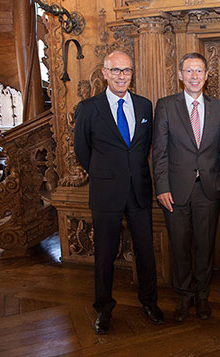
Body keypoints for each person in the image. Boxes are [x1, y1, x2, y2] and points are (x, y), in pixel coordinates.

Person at [74, 50, 163, 334]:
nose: (121, 76)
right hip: (105, 193)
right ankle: (103, 309)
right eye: (115, 70)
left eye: (126, 70)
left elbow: (144, 146)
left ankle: (149, 302)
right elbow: (81, 150)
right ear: (104, 73)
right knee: (105, 254)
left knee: (145, 252)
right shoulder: (88, 108)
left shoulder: (144, 105)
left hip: (139, 190)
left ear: (131, 74)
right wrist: (105, 174)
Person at [152, 53, 220, 322]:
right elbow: (159, 152)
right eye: (189, 71)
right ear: (181, 75)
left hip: (208, 189)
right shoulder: (166, 106)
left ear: (207, 76)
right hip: (175, 190)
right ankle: (184, 297)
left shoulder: (219, 108)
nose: (195, 76)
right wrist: (161, 187)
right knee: (180, 247)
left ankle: (203, 297)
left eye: (199, 71)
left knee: (205, 247)